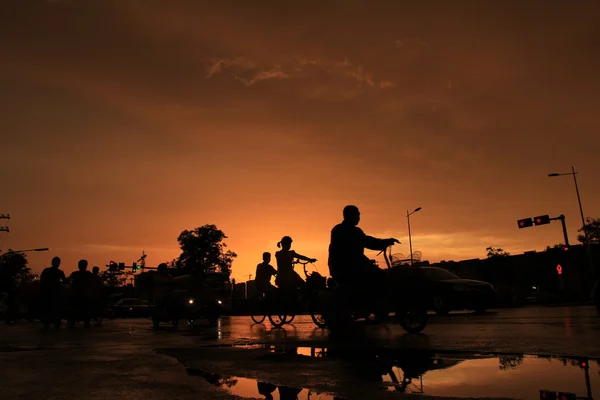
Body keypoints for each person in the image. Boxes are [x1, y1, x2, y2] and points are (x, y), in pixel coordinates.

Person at [328, 205, 399, 297]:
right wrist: (384, 242)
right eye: (357, 215)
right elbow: (367, 241)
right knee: (381, 276)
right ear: (349, 216)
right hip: (350, 267)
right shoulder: (352, 231)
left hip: (339, 268)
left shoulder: (337, 229)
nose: (358, 218)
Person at [40, 256, 67, 329]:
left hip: (52, 293)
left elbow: (64, 281)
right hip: (51, 293)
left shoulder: (49, 271)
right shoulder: (56, 272)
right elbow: (65, 281)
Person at [68, 259, 94, 327]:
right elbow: (68, 280)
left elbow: (94, 282)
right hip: (76, 294)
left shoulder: (88, 274)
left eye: (83, 265)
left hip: (84, 295)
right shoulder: (75, 274)